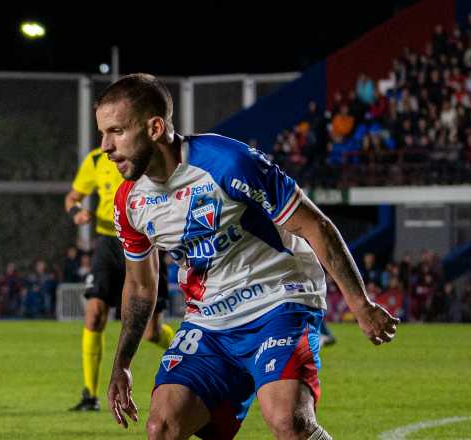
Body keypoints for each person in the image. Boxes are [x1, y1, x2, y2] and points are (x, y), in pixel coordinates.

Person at [99, 74, 398, 439]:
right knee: (162, 427)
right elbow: (140, 287)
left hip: (279, 299)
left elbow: (315, 226)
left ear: (155, 128)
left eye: (116, 132)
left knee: (289, 422)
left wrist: (361, 305)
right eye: (103, 134)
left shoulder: (228, 162)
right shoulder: (129, 202)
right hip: (209, 321)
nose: (105, 146)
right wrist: (122, 363)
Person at [65, 133, 174, 412]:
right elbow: (72, 198)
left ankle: (195, 354)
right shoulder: (95, 160)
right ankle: (90, 395)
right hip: (108, 243)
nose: (109, 141)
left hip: (144, 241)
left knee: (151, 333)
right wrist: (77, 212)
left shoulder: (146, 155)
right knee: (94, 314)